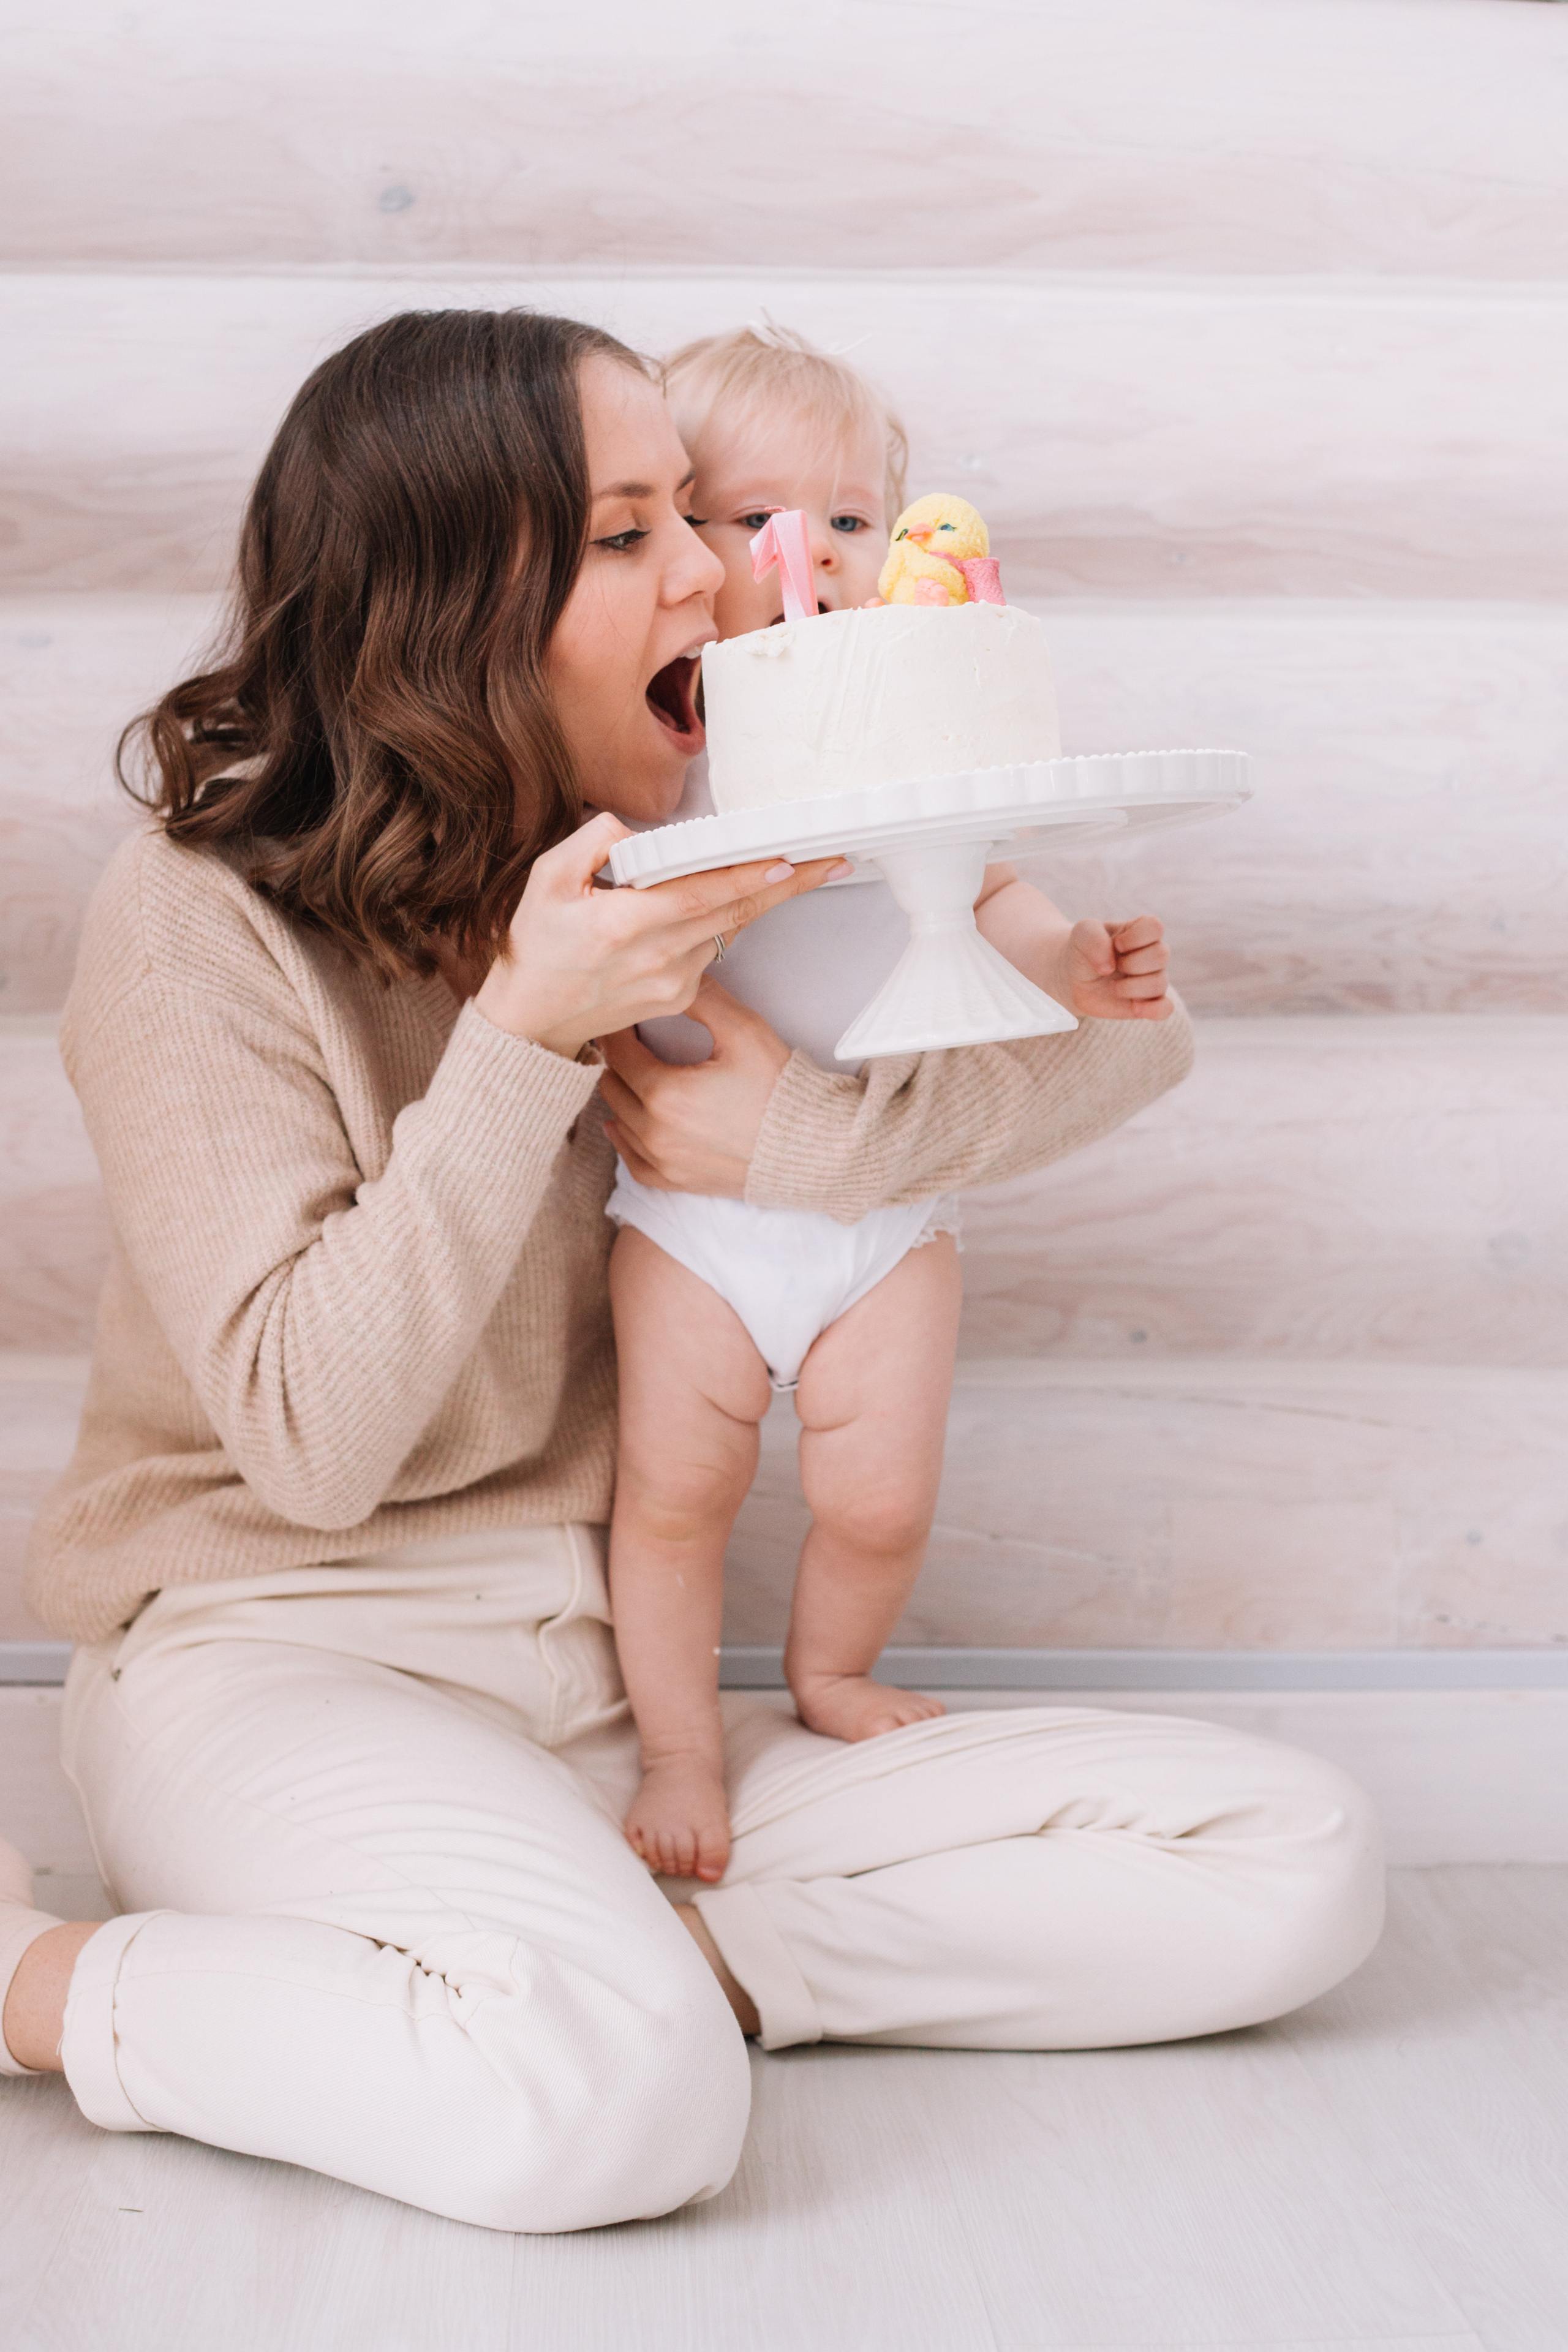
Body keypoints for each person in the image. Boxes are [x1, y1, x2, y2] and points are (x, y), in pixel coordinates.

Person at [0, 310, 1383, 2235]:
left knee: (1287, 1856)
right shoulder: (195, 917)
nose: (726, 574)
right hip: (287, 1656)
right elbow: (311, 1447)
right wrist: (521, 1040)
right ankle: (34, 1982)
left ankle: (668, 1980)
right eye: (637, 532)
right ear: (457, 599)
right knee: (612, 2125)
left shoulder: (704, 831)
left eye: (701, 519)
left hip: (602, 1690)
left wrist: (790, 1146)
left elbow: (1127, 1049)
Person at [608, 326, 1177, 1884]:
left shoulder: (915, 733)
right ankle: (673, 1745)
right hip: (690, 1217)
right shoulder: (667, 755)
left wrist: (1075, 962)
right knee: (671, 1499)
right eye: (753, 519)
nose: (812, 551)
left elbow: (983, 887)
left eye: (853, 519)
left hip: (881, 1214)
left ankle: (829, 1673)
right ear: (673, 543)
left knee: (877, 1496)